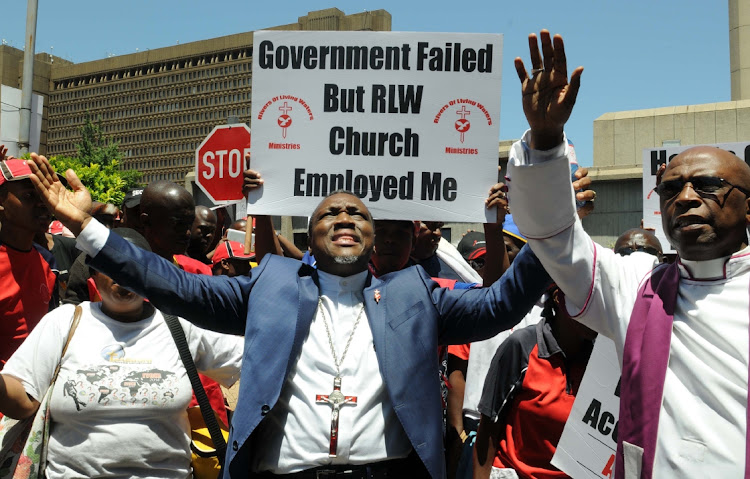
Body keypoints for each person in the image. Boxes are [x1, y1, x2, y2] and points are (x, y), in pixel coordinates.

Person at [28, 154, 559, 479]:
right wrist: (89, 231)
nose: (346, 217)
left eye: (358, 213)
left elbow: (500, 304)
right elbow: (176, 285)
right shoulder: (270, 285)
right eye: (331, 212)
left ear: (373, 237)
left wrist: (552, 227)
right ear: (312, 234)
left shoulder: (415, 292)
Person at [506, 29, 750, 478]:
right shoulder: (639, 284)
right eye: (672, 189)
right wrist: (545, 137)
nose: (687, 198)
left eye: (708, 185)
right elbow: (554, 237)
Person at [0, 227, 243, 478]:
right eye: (112, 264)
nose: (123, 273)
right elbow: (23, 402)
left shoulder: (179, 327)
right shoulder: (63, 323)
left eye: (132, 265)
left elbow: (256, 363)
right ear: (93, 271)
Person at [472, 288, 597, 479]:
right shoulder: (521, 346)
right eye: (589, 300)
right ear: (558, 297)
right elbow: (487, 431)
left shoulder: (603, 365)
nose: (597, 311)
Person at [0, 156, 58, 366]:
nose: (41, 203)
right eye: (29, 195)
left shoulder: (48, 261)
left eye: (43, 194)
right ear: (2, 202)